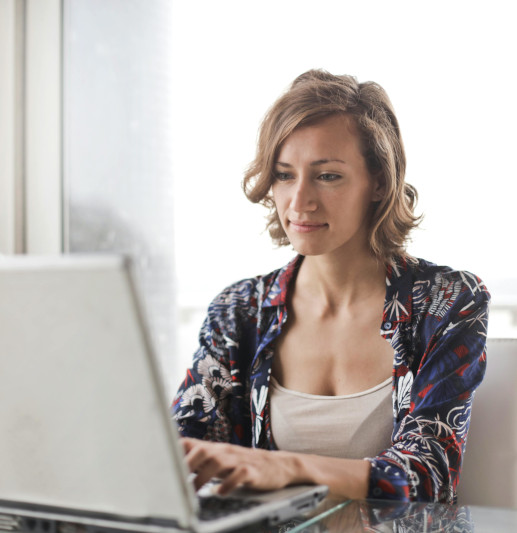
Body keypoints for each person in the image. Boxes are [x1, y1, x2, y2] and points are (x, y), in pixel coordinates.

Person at [172, 69, 490, 504]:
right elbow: (180, 452)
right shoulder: (240, 310)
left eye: (327, 176)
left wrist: (288, 467)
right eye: (284, 175)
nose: (299, 201)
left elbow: (429, 475)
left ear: (378, 181)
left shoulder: (446, 301)